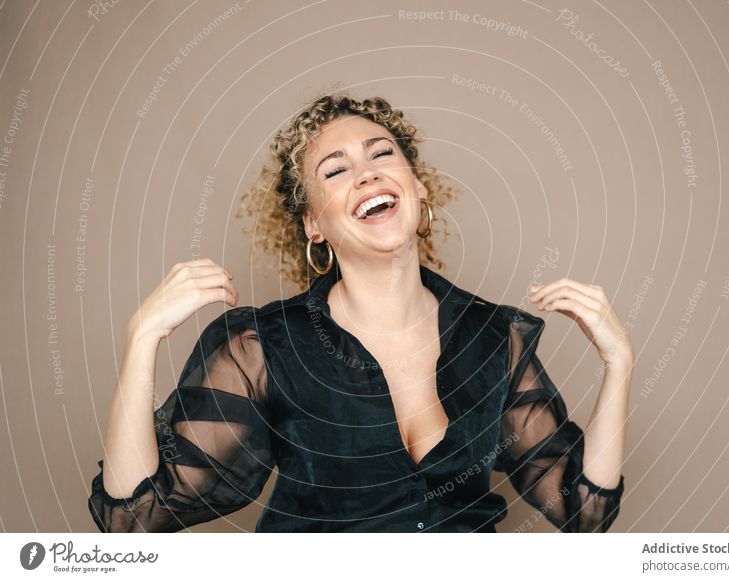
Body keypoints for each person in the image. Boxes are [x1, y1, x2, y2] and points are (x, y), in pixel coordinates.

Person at [88, 94, 634, 533]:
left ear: (417, 186)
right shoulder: (261, 346)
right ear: (312, 225)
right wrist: (141, 339)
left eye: (381, 154)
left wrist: (618, 364)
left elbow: (583, 512)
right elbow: (134, 518)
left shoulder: (494, 337)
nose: (367, 174)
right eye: (335, 170)